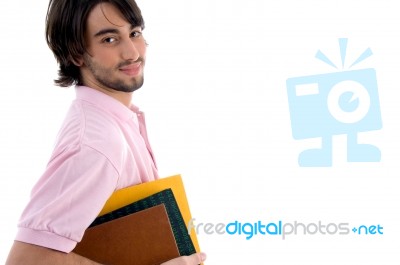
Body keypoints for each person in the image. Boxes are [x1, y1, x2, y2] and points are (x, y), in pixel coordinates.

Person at [5, 0, 206, 264]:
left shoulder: (115, 122)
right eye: (110, 39)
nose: (132, 53)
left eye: (134, 33)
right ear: (76, 54)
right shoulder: (96, 143)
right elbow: (26, 260)